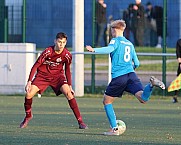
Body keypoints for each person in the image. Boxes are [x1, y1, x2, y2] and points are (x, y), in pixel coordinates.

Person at [86, 19, 165, 135]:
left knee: (107, 101)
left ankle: (114, 129)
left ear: (114, 30)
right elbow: (137, 63)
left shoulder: (115, 41)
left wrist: (94, 50)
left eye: (112, 30)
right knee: (143, 98)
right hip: (131, 75)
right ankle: (151, 85)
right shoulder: (129, 43)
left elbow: (109, 49)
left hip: (119, 76)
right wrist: (129, 70)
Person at [19, 32, 88, 129]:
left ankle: (80, 122)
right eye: (59, 42)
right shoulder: (48, 51)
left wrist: (70, 85)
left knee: (69, 93)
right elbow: (36, 66)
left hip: (58, 77)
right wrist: (29, 81)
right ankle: (28, 116)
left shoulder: (67, 55)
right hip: (42, 76)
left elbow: (67, 70)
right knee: (28, 94)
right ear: (55, 41)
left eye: (63, 42)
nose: (61, 45)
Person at [173, 39, 181, 103]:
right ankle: (175, 96)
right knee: (179, 80)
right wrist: (180, 63)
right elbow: (178, 53)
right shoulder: (179, 42)